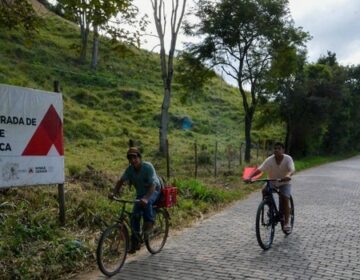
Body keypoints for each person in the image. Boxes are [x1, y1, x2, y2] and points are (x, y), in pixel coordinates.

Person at [110, 147, 161, 253]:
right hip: (141, 193)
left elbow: (153, 184)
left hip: (154, 190)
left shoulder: (148, 167)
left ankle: (149, 224)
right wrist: (113, 193)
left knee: (146, 204)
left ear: (139, 157)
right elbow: (120, 181)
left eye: (135, 157)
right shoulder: (130, 170)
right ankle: (135, 242)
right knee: (134, 216)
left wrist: (146, 198)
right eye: (130, 158)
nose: (133, 160)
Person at [245, 142, 295, 233]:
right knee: (264, 190)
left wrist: (288, 176)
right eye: (275, 148)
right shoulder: (270, 160)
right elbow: (260, 170)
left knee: (284, 198)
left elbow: (291, 170)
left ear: (283, 150)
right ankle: (270, 207)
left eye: (279, 148)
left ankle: (287, 222)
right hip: (272, 181)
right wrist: (250, 177)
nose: (276, 150)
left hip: (284, 182)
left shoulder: (288, 159)